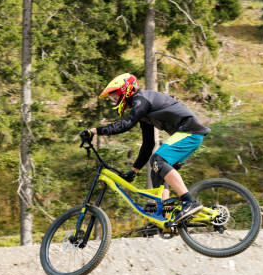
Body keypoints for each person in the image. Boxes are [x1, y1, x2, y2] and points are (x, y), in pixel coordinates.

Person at [82, 73, 210, 223]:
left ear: (126, 90)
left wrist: (95, 131)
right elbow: (148, 143)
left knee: (158, 160)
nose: (114, 100)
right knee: (157, 172)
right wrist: (134, 171)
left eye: (115, 95)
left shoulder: (141, 100)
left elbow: (126, 124)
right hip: (186, 133)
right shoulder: (143, 110)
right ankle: (165, 218)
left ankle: (189, 202)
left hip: (190, 131)